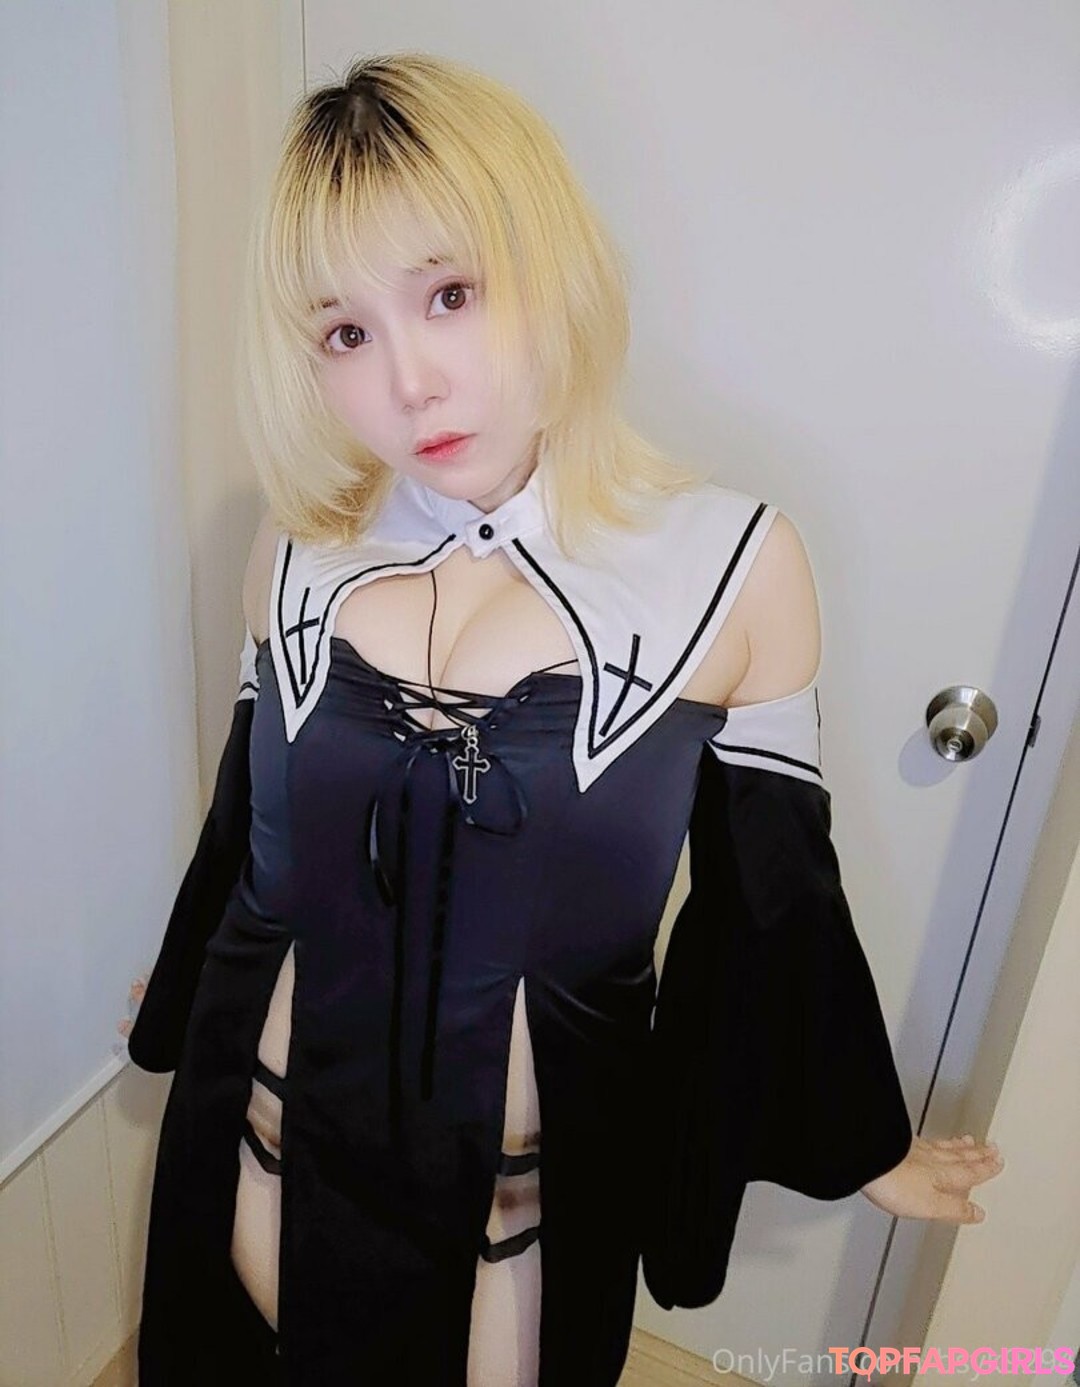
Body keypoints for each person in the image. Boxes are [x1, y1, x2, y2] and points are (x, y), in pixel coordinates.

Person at [120, 50, 1004, 1386]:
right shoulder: (297, 544)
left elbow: (772, 899)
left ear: (552, 266)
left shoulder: (734, 565)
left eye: (451, 295)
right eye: (346, 333)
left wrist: (858, 1138)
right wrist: (184, 986)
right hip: (250, 1160)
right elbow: (250, 828)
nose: (409, 382)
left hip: (512, 1238)